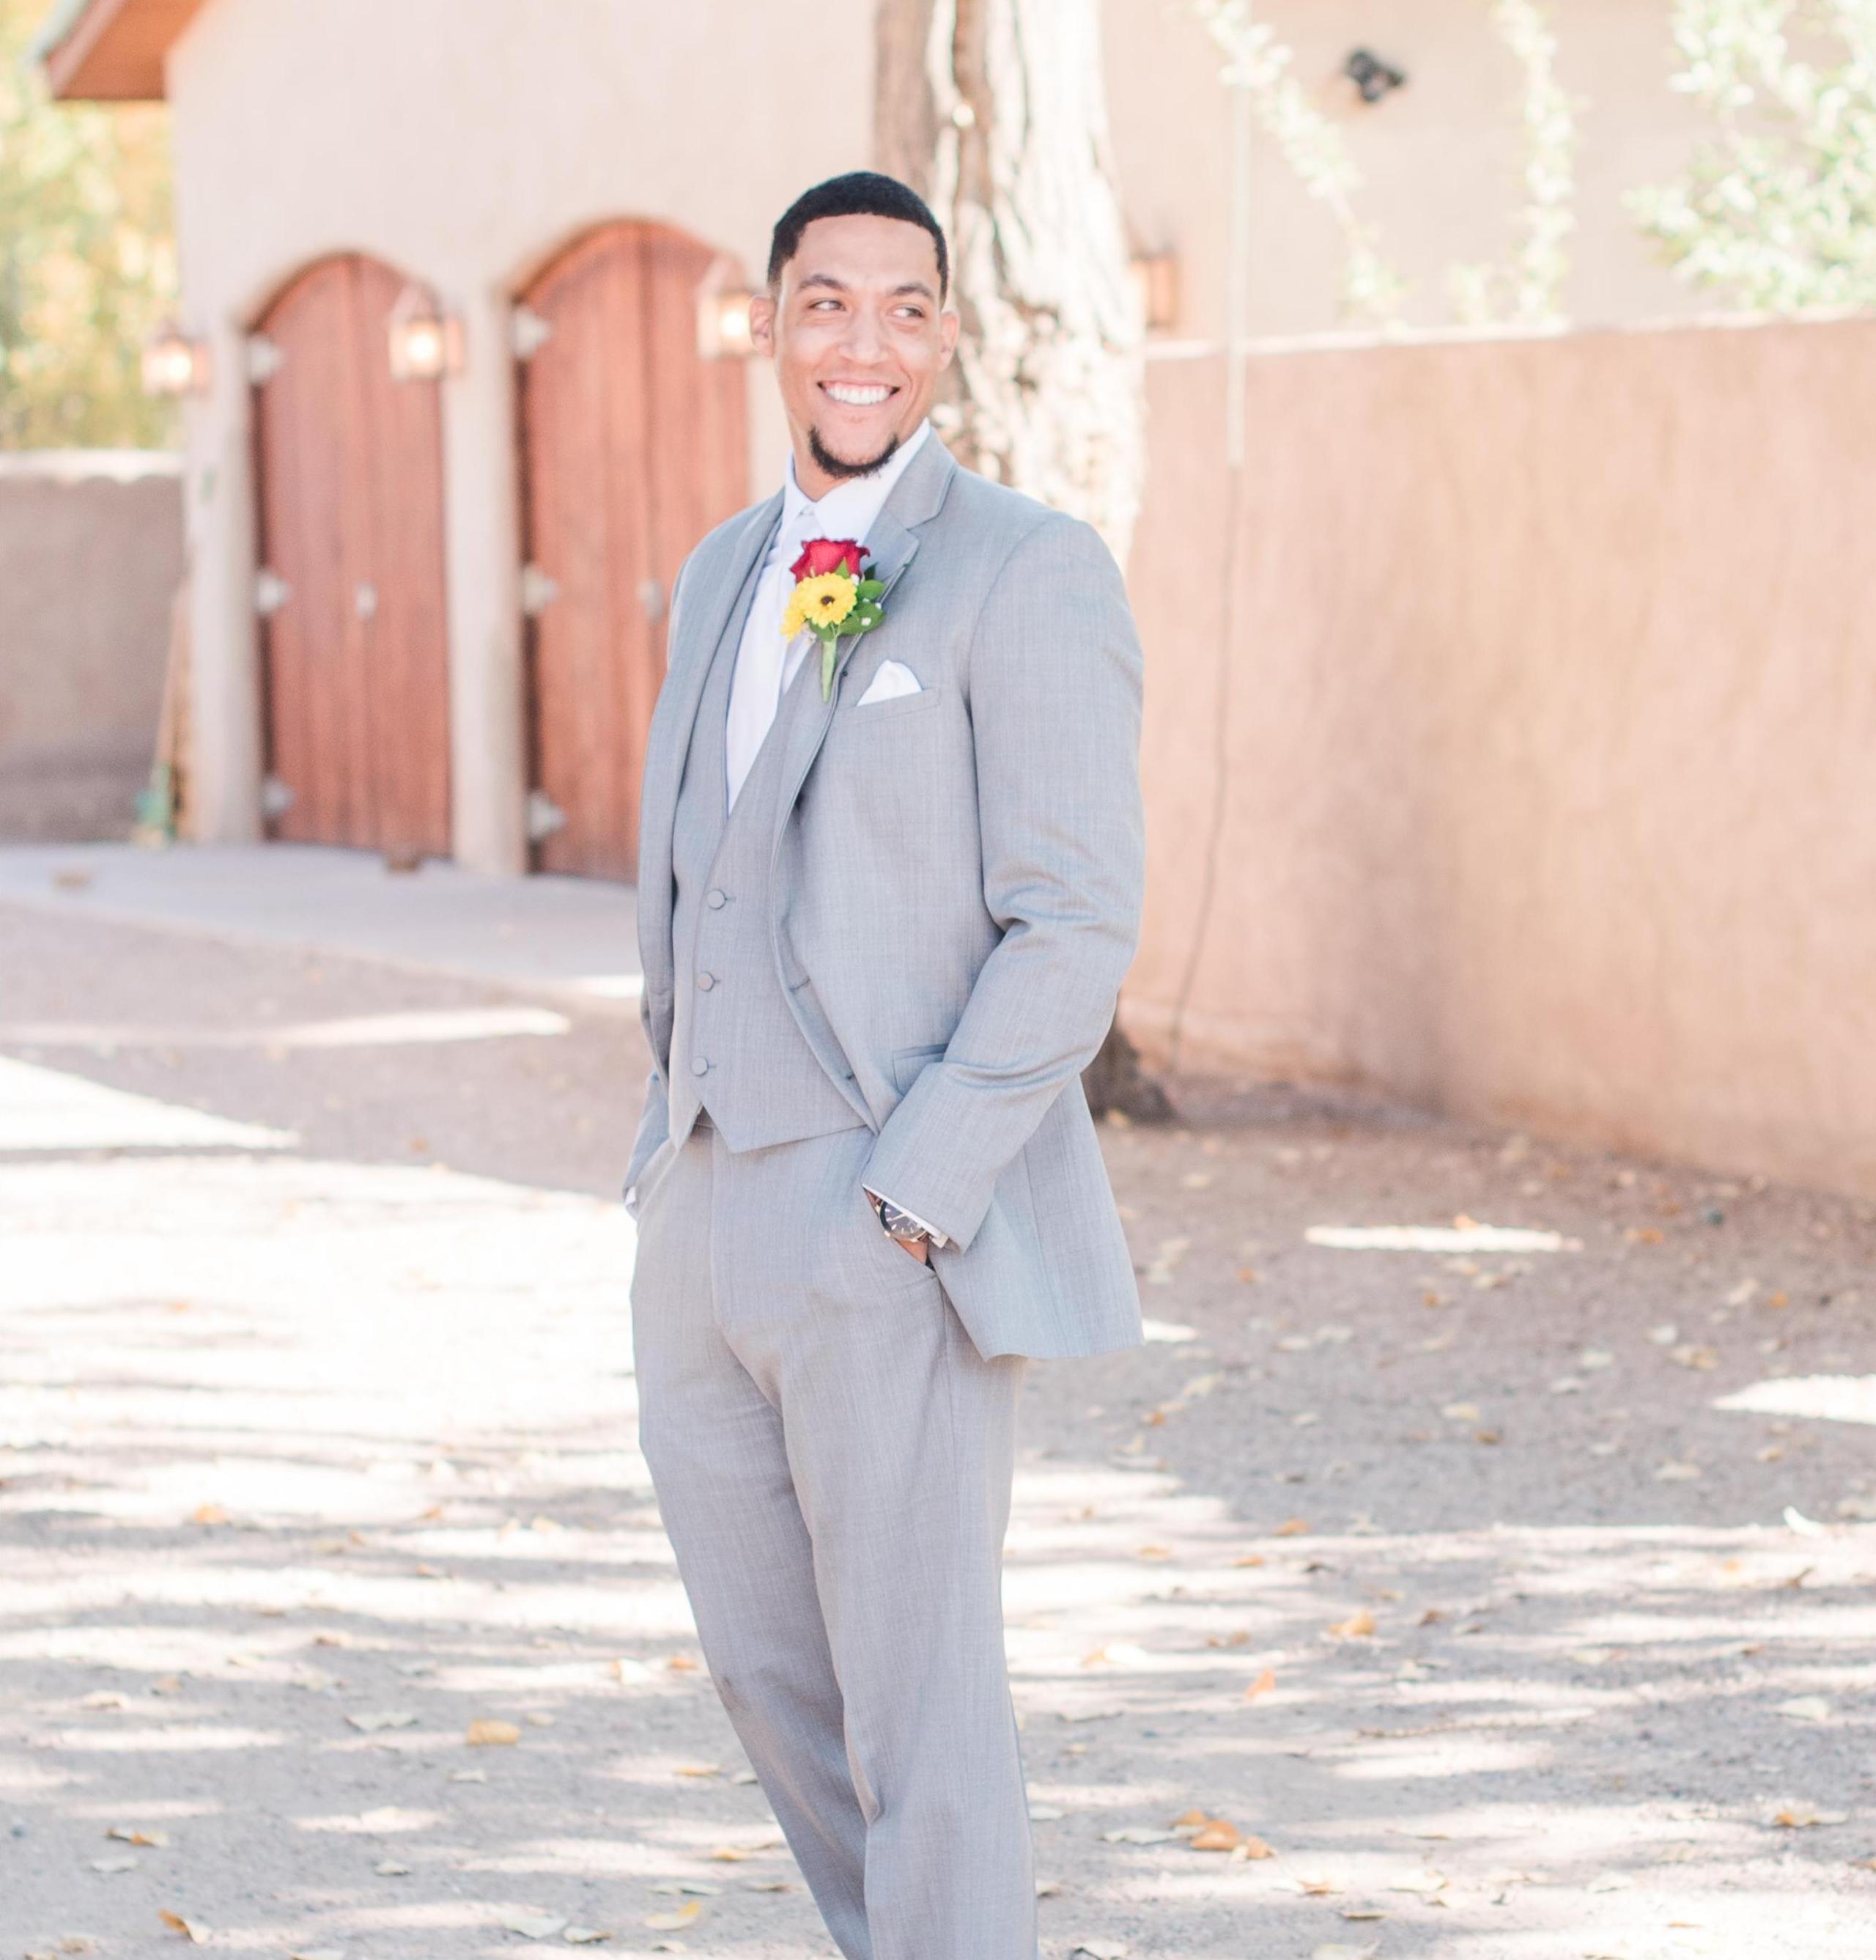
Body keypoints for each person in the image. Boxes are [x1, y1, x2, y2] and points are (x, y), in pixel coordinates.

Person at [621, 169, 1145, 1956]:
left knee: (921, 1708)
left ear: (943, 337)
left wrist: (915, 1193)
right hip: (702, 1205)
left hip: (882, 1208)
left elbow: (1072, 919)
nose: (867, 340)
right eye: (827, 301)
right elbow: (694, 866)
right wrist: (662, 1158)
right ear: (771, 325)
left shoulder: (1025, 567)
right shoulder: (716, 572)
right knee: (772, 1681)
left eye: (905, 307)